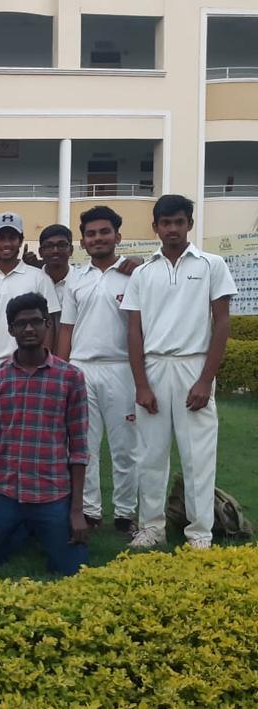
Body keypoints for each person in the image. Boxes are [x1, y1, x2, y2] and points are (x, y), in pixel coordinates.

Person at [121, 194, 237, 550]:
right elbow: (134, 331)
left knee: (197, 454)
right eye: (165, 223)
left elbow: (221, 323)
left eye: (179, 222)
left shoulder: (211, 264)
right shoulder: (143, 273)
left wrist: (205, 379)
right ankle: (151, 527)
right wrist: (141, 384)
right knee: (150, 453)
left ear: (189, 224)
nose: (172, 229)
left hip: (193, 363)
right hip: (154, 365)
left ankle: (199, 532)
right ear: (155, 227)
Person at [0, 292, 90, 576]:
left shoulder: (70, 378)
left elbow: (79, 448)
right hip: (6, 492)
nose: (29, 329)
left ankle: (38, 529)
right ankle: (23, 530)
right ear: (10, 329)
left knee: (70, 567)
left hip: (52, 493)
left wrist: (76, 510)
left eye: (36, 322)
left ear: (47, 325)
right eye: (21, 324)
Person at [56, 206, 137, 532]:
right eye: (91, 234)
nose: (98, 238)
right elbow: (66, 329)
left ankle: (125, 513)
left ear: (117, 236)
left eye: (104, 232)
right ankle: (89, 511)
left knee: (125, 447)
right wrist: (61, 373)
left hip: (121, 369)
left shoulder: (134, 274)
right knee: (83, 447)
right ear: (83, 241)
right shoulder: (76, 279)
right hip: (81, 370)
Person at [0, 212, 61, 381]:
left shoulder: (39, 278)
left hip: (28, 365)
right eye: (1, 238)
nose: (7, 244)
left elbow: (49, 324)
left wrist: (42, 364)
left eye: (12, 238)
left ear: (21, 241)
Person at [37, 224, 76, 309]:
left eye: (61, 245)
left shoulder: (83, 280)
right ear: (40, 252)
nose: (55, 251)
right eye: (49, 246)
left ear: (71, 250)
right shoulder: (32, 282)